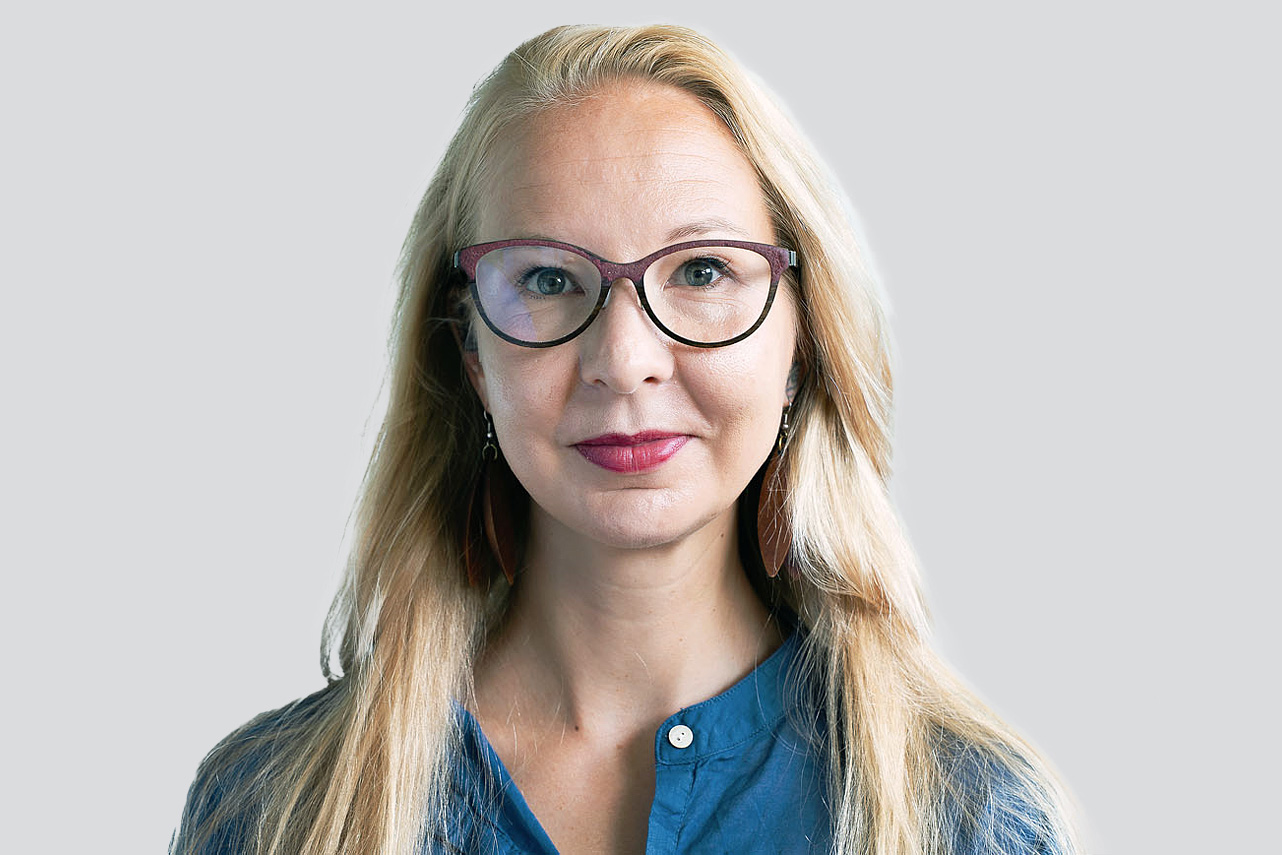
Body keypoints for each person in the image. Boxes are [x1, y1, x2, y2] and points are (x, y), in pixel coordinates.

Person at [174, 23, 1081, 855]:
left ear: (800, 341)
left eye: (702, 270)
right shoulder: (272, 810)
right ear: (470, 353)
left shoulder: (966, 815)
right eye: (546, 278)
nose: (624, 359)